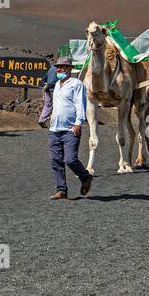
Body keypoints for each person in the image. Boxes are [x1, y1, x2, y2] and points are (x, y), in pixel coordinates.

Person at [47, 55, 93, 199]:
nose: (58, 69)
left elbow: (81, 104)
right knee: (56, 161)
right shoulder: (56, 86)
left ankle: (85, 177)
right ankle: (62, 190)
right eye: (57, 67)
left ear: (68, 69)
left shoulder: (76, 84)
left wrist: (79, 122)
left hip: (70, 129)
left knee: (70, 159)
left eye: (61, 67)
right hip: (54, 129)